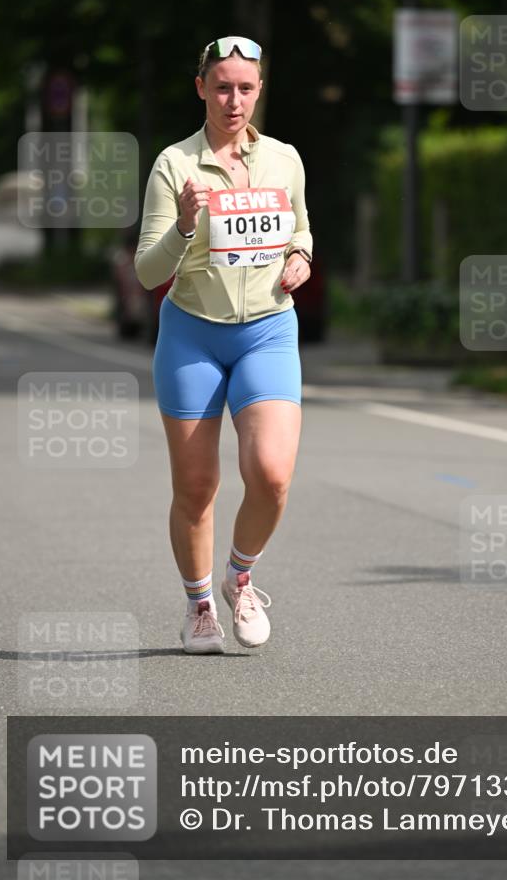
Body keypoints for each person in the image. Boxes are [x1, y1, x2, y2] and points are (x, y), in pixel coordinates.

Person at [134, 36, 313, 654]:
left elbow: (301, 227)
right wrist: (185, 224)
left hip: (268, 328)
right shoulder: (173, 164)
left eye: (245, 87)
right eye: (221, 87)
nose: (233, 99)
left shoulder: (285, 159)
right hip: (193, 334)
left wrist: (300, 257)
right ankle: (200, 605)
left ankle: (240, 576)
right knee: (197, 486)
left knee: (271, 475)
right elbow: (147, 273)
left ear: (259, 89)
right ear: (201, 88)